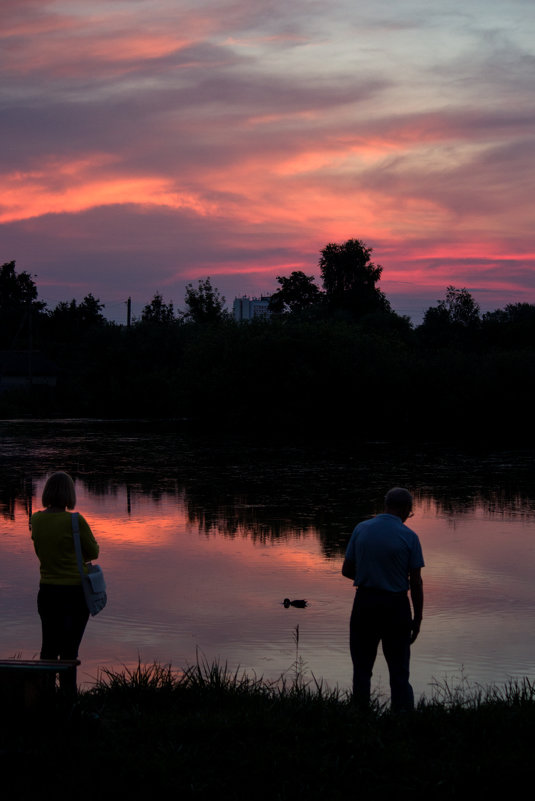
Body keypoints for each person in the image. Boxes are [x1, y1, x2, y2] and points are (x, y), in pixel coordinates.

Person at [342, 487, 424, 711]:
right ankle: (403, 721)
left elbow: (347, 570)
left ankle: (359, 718)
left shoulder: (362, 529)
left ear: (386, 505)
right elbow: (416, 582)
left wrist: (369, 574)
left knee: (361, 670)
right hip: (396, 607)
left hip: (365, 603)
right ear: (406, 509)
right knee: (399, 672)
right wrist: (417, 619)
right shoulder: (409, 536)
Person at [31, 471, 99, 692]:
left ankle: (45, 698)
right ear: (70, 494)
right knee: (69, 651)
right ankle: (68, 700)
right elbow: (93, 551)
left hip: (47, 591)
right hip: (75, 594)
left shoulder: (36, 520)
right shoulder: (75, 520)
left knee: (48, 648)